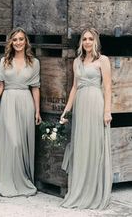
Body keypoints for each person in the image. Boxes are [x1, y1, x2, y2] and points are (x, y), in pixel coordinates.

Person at [0, 27, 41, 197]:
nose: (18, 42)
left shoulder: (34, 62)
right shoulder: (4, 61)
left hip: (25, 102)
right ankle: (7, 181)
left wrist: (37, 110)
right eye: (14, 40)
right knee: (12, 142)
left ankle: (22, 180)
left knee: (21, 143)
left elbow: (35, 88)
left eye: (21, 39)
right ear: (10, 42)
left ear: (26, 41)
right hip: (8, 102)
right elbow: (0, 86)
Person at [60, 28, 112, 209]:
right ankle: (79, 189)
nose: (87, 42)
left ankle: (94, 190)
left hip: (96, 104)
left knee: (94, 144)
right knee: (81, 144)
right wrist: (67, 110)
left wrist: (107, 111)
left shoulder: (103, 60)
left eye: (90, 39)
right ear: (81, 42)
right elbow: (74, 87)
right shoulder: (77, 61)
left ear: (95, 41)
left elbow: (107, 88)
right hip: (81, 105)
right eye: (84, 39)